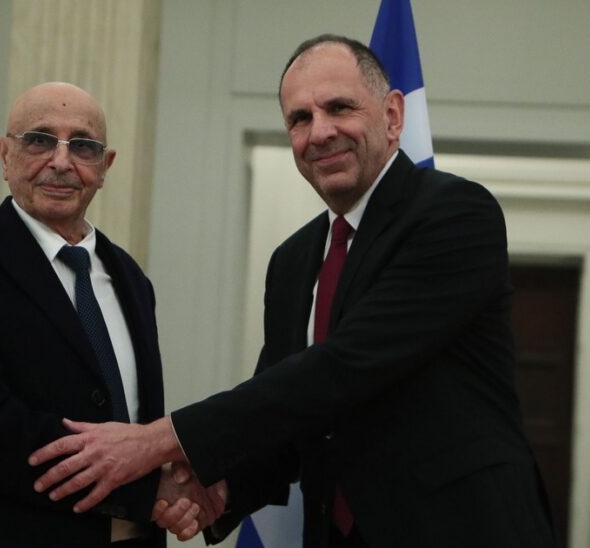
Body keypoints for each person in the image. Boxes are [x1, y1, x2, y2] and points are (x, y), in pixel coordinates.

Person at [28, 37, 557, 548]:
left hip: (462, 529)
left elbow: (345, 367)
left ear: (393, 116)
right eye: (300, 119)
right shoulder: (294, 260)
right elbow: (290, 415)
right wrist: (222, 489)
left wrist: (158, 440)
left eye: (339, 108)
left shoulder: (455, 214)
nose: (320, 132)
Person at [0, 82, 220, 547]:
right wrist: (145, 489)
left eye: (83, 146)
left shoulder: (131, 279)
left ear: (105, 167)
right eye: (39, 140)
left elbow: (134, 422)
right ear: (4, 155)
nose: (61, 162)